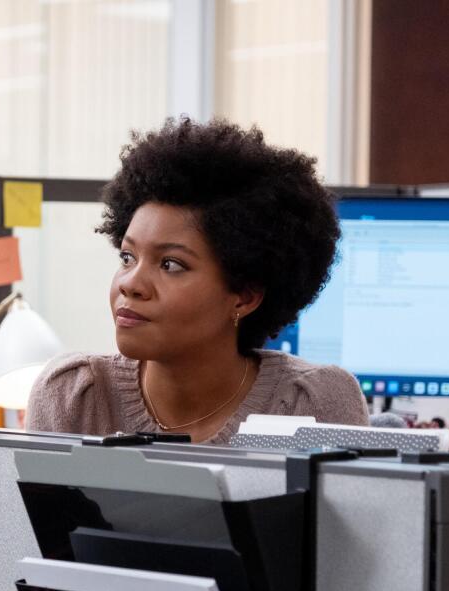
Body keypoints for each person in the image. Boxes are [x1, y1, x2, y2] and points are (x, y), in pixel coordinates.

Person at [26, 118, 369, 443]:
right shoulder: (74, 396)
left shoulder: (313, 403)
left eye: (171, 264)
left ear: (244, 296)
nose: (131, 284)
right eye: (127, 257)